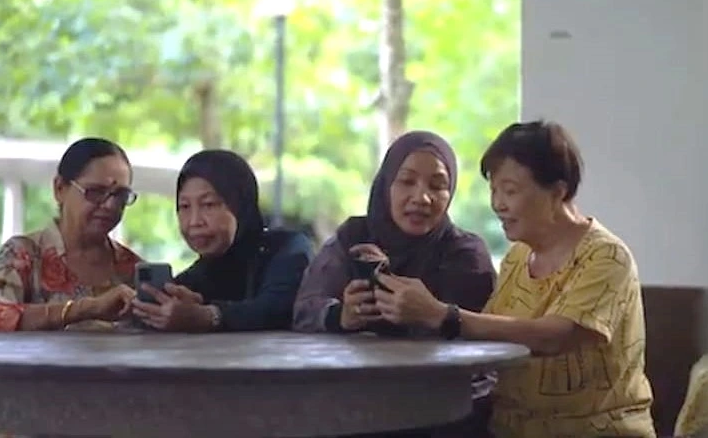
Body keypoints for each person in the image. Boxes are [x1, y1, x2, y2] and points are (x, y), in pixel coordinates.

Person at [377, 121, 655, 438]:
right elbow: (490, 339)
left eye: (510, 191)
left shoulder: (606, 257)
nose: (498, 204)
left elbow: (554, 337)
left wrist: (442, 314)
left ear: (557, 192)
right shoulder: (518, 257)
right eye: (494, 190)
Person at [292, 131, 496, 437]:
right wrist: (341, 316)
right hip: (353, 402)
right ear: (387, 184)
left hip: (442, 411)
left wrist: (428, 313)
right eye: (407, 181)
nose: (421, 198)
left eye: (437, 185)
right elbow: (306, 307)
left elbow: (480, 352)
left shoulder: (465, 254)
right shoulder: (354, 237)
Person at [0, 137, 142, 332]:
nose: (110, 205)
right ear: (60, 189)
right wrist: (88, 308)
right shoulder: (24, 255)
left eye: (120, 195)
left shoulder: (133, 269)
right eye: (95, 191)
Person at [132, 149, 314, 332]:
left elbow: (277, 309)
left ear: (241, 206)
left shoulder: (287, 249)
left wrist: (207, 316)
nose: (195, 221)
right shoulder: (192, 281)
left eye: (209, 204)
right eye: (184, 206)